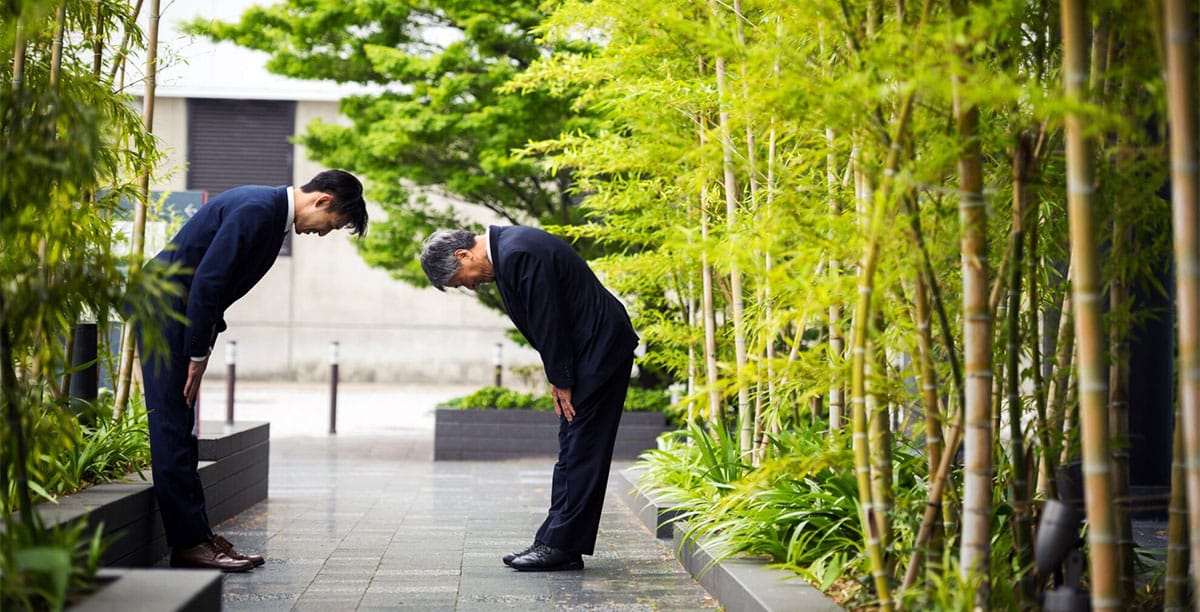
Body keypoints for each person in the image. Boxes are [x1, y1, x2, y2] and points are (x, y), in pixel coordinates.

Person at [138, 169, 368, 571]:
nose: (324, 233)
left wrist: (201, 343)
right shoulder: (259, 210)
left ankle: (197, 536)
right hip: (165, 312)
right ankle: (190, 542)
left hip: (177, 313)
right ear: (323, 200)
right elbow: (208, 282)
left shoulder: (267, 212)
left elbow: (214, 286)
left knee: (181, 426)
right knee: (172, 426)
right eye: (333, 225)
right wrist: (197, 353)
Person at [419, 226, 638, 571]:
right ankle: (555, 539)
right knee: (573, 445)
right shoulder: (510, 250)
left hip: (599, 351)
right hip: (590, 352)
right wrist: (560, 375)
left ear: (463, 255)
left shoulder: (517, 253)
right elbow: (550, 319)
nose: (471, 286)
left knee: (582, 447)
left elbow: (549, 320)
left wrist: (561, 378)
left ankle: (560, 545)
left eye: (462, 281)